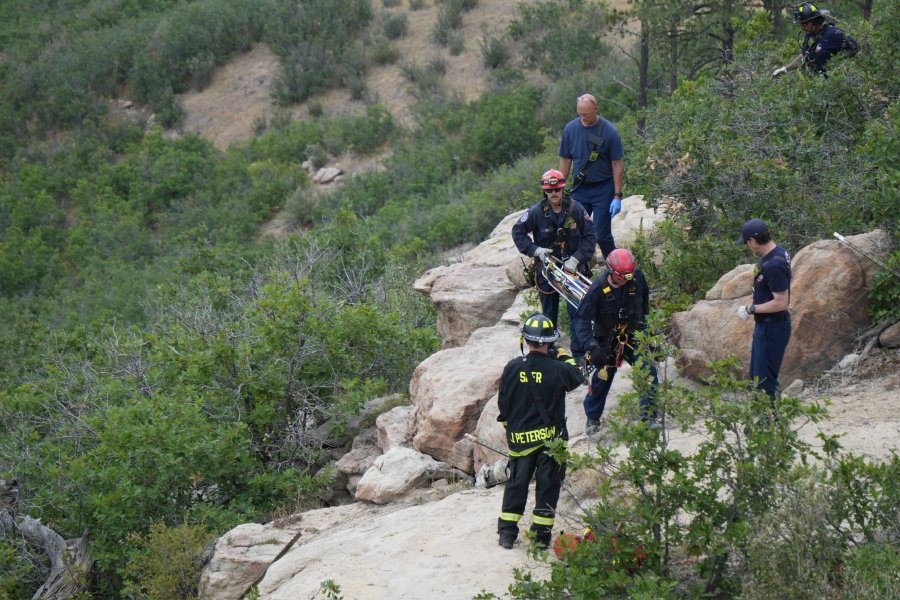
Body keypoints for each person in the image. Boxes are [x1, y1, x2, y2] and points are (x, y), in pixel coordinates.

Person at [497, 313, 586, 550]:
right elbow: (579, 376)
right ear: (549, 342)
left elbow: (503, 406)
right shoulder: (558, 369)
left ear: (525, 341)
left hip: (520, 441)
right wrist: (565, 357)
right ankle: (540, 538)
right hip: (551, 442)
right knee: (548, 487)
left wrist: (512, 432)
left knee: (516, 485)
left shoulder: (512, 368)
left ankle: (507, 534)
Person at [512, 169, 596, 365]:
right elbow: (518, 231)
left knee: (578, 313)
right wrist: (534, 250)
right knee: (548, 314)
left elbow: (590, 237)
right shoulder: (536, 212)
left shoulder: (576, 210)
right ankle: (547, 354)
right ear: (545, 192)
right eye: (550, 191)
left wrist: (576, 258)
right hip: (548, 271)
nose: (554, 194)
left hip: (573, 271)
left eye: (557, 189)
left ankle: (579, 355)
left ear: (562, 188)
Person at [572, 248, 659, 436]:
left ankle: (649, 416)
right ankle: (593, 417)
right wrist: (591, 346)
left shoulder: (637, 278)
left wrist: (649, 333)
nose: (628, 278)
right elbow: (581, 320)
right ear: (612, 272)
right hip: (607, 339)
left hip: (634, 334)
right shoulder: (597, 289)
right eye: (624, 275)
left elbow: (644, 304)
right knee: (601, 379)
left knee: (648, 371)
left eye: (631, 273)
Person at [558, 93, 624, 258]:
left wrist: (617, 195)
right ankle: (581, 266)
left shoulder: (609, 131)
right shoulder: (570, 129)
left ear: (596, 109)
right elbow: (566, 158)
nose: (583, 118)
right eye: (580, 114)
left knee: (601, 234)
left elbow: (617, 163)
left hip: (603, 189)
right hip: (580, 188)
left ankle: (615, 266)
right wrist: (560, 185)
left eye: (586, 114)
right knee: (573, 230)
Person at [736, 219, 792, 403]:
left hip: (773, 326)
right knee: (758, 374)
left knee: (764, 380)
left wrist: (751, 308)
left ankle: (770, 424)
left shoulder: (774, 265)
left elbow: (781, 302)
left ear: (753, 241)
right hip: (767, 326)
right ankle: (768, 421)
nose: (747, 246)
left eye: (746, 242)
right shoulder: (775, 254)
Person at [772, 3, 859, 77]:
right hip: (816, 86)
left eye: (804, 24)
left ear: (812, 22)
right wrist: (785, 69)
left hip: (835, 87)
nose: (802, 27)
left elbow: (856, 47)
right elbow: (805, 56)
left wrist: (837, 65)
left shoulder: (833, 34)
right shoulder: (810, 36)